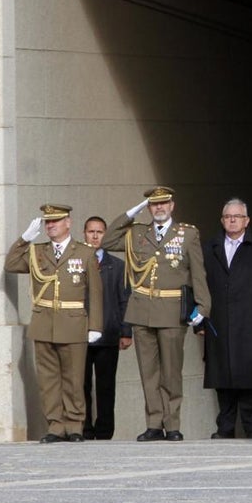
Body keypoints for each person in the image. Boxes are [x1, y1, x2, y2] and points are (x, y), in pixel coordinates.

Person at [102, 186, 210, 442]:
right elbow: (107, 241)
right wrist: (132, 212)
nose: (159, 208)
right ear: (148, 208)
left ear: (172, 206)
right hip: (142, 310)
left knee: (171, 371)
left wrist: (203, 307)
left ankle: (172, 424)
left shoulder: (187, 234)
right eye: (153, 204)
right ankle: (153, 423)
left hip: (172, 310)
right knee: (148, 371)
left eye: (163, 203)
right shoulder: (138, 232)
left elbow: (198, 273)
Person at [5, 204, 103, 443]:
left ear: (68, 223)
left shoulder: (85, 253)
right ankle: (56, 426)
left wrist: (95, 326)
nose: (50, 225)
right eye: (47, 222)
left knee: (74, 379)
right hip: (44, 323)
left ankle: (75, 424)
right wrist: (25, 239)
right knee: (48, 380)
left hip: (73, 323)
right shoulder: (37, 252)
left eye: (55, 221)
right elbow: (11, 264)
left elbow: (95, 293)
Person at [201, 198, 252, 439]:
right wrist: (198, 320)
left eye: (237, 216)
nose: (232, 220)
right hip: (219, 321)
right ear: (222, 220)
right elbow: (198, 285)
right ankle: (225, 428)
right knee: (222, 376)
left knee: (250, 377)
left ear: (247, 221)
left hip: (251, 322)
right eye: (228, 217)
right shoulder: (210, 247)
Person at [81, 216, 132, 440]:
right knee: (81, 385)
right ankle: (83, 428)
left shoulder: (118, 266)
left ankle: (104, 431)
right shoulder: (76, 262)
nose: (95, 236)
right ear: (84, 233)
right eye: (91, 231)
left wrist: (126, 331)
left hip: (108, 332)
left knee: (106, 386)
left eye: (99, 232)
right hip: (80, 334)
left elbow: (125, 300)